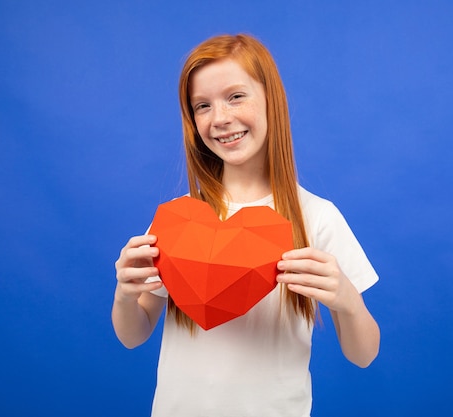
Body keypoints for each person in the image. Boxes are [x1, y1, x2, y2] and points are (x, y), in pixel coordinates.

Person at [112, 33, 380, 417]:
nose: (220, 118)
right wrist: (124, 293)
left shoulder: (316, 217)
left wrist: (349, 303)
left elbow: (363, 355)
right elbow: (133, 334)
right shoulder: (177, 217)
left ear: (272, 99)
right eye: (202, 105)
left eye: (236, 96)